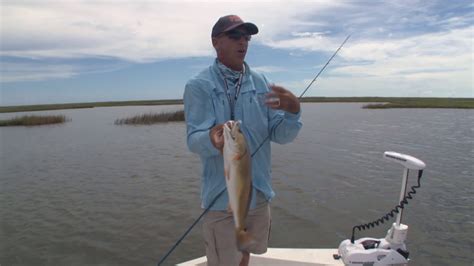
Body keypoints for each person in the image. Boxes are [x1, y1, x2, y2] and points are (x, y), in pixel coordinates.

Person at [183, 15, 302, 266]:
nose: (243, 42)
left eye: (246, 37)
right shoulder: (199, 85)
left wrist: (293, 113)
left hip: (259, 195)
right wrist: (210, 140)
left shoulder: (261, 82)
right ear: (216, 42)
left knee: (246, 254)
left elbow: (280, 135)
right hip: (221, 200)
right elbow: (193, 140)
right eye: (234, 36)